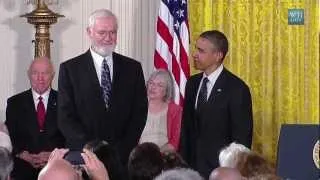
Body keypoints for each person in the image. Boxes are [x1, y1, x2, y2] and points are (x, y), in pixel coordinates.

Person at [57, 8, 148, 165]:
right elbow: (65, 117)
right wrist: (91, 148)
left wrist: (122, 148)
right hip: (83, 157)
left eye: (113, 32)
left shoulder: (132, 68)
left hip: (123, 158)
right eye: (102, 33)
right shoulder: (70, 69)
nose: (108, 38)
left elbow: (139, 113)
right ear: (89, 32)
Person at [179, 30, 253, 179]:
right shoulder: (192, 84)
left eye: (201, 51)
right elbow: (187, 129)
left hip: (220, 172)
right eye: (196, 49)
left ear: (218, 55)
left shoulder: (237, 89)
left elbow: (241, 140)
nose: (195, 54)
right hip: (190, 171)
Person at [5, 57, 65, 180]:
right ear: (29, 75)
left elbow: (70, 135)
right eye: (35, 73)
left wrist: (55, 154)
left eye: (45, 73)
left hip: (57, 170)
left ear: (53, 75)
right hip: (22, 169)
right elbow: (9, 136)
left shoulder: (65, 101)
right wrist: (21, 154)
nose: (40, 78)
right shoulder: (15, 103)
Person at [139, 69, 182, 152]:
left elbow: (174, 143)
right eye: (151, 83)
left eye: (160, 85)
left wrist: (156, 155)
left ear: (166, 91)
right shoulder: (137, 106)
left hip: (164, 157)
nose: (153, 87)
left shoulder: (175, 110)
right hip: (139, 155)